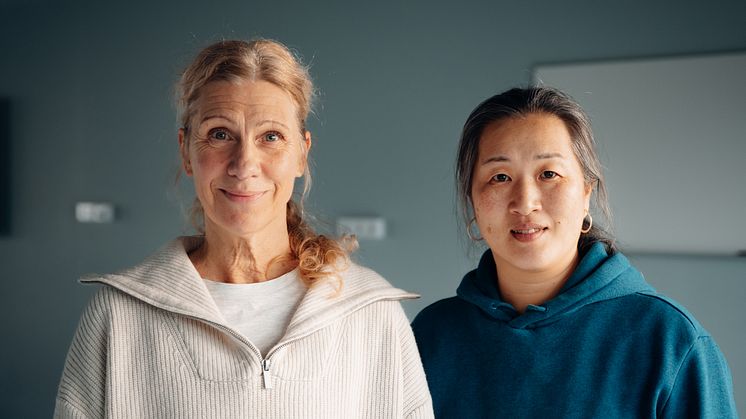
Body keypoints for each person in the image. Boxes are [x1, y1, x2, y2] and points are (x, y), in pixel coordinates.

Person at [55, 39, 433, 418]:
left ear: (301, 154)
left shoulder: (372, 313)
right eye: (220, 134)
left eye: (271, 137)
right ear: (186, 151)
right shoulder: (116, 316)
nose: (244, 164)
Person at [411, 86, 738, 418]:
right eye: (500, 177)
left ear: (586, 192)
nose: (525, 202)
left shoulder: (670, 342)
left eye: (549, 174)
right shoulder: (431, 335)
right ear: (473, 201)